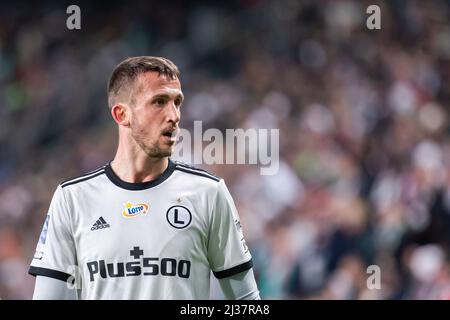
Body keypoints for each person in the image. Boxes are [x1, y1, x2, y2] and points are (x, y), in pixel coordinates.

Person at [29, 56, 260, 300]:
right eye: (159, 102)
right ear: (121, 114)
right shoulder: (72, 199)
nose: (174, 115)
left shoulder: (208, 194)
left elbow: (246, 301)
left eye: (177, 102)